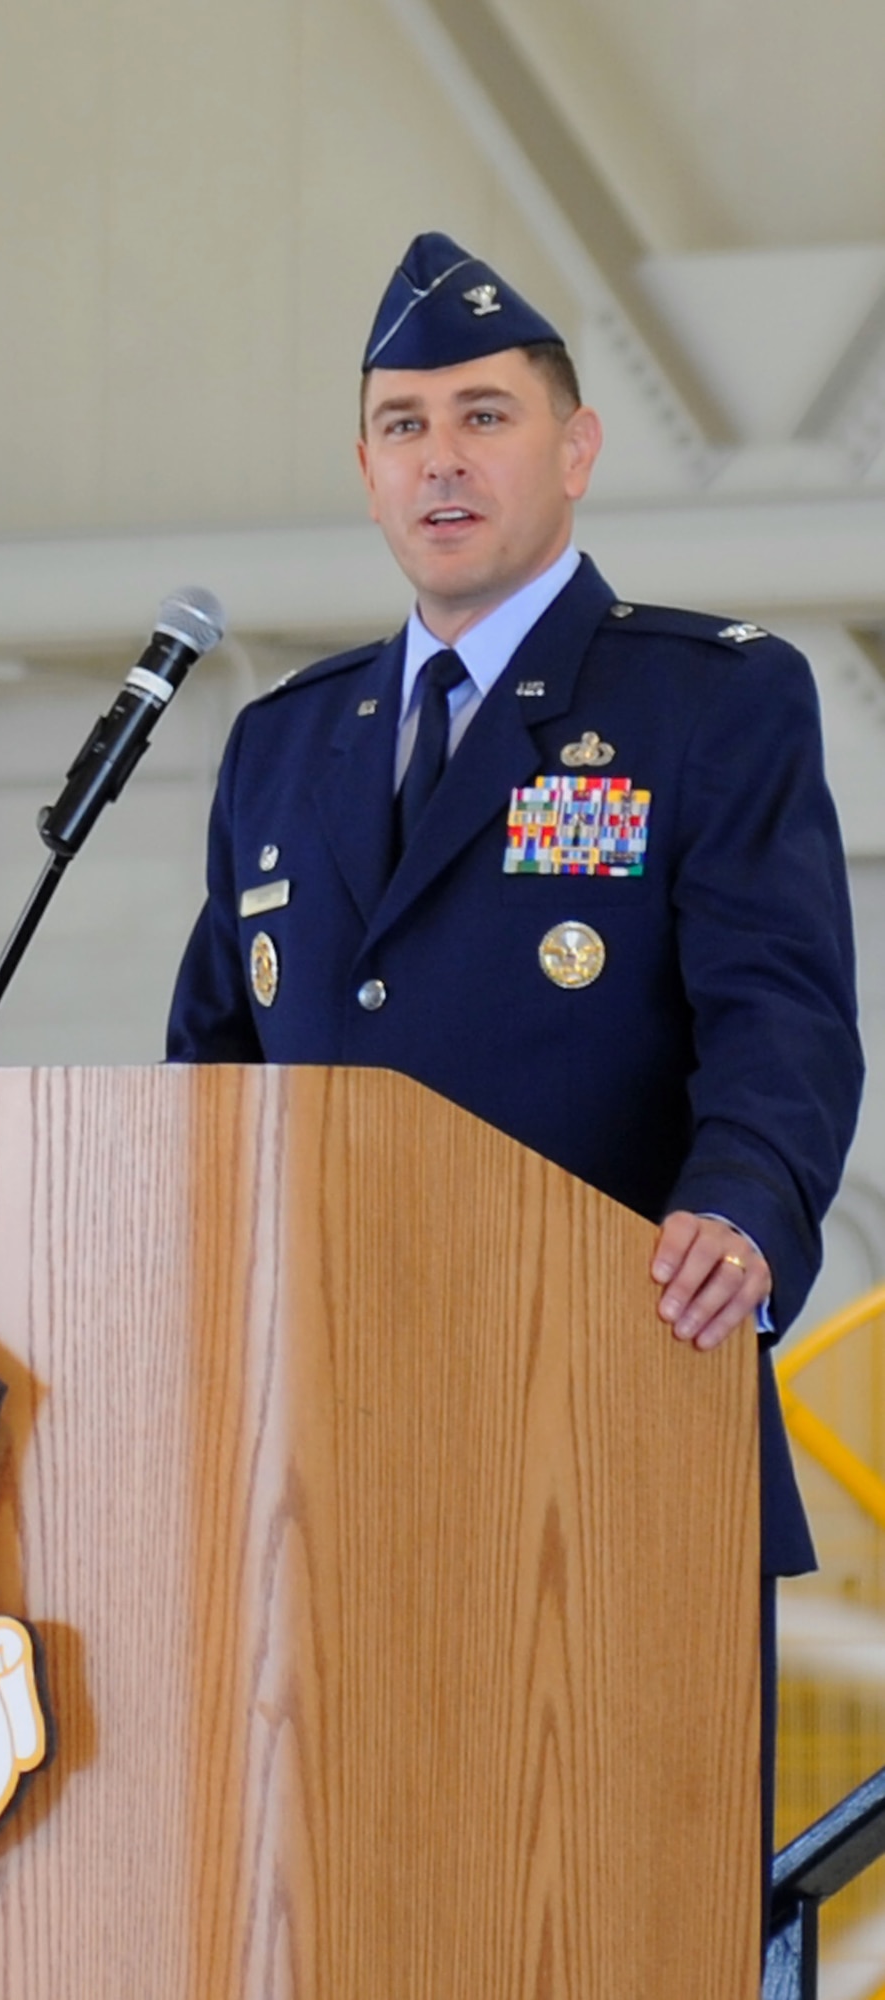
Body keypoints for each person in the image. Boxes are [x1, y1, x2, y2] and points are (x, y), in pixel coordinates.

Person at [167, 229, 865, 1906]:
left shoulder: (713, 704)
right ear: (364, 468)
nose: (442, 457)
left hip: (616, 1424)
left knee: (616, 1914)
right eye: (403, 425)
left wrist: (745, 1211)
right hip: (315, 1475)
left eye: (483, 414)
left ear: (576, 448)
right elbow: (210, 1081)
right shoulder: (283, 744)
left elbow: (782, 1011)